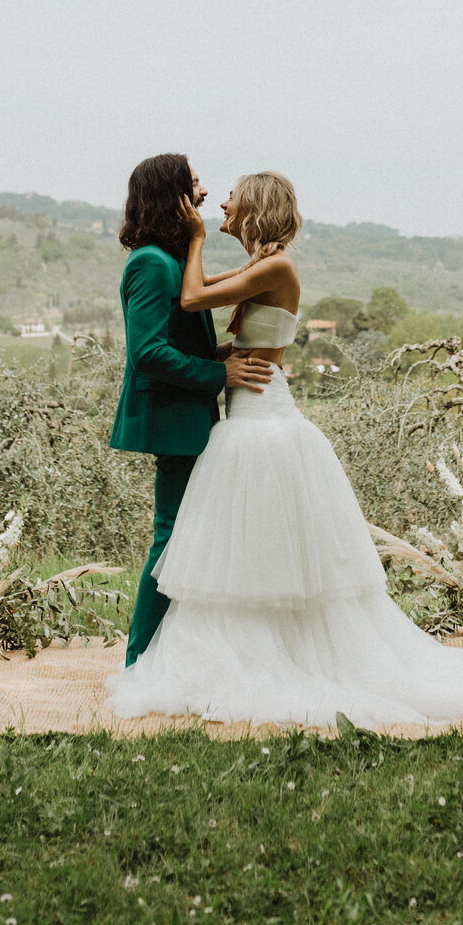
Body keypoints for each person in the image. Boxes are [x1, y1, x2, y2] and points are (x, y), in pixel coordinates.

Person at [106, 171, 463, 728]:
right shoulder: (258, 267)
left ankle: (273, 660)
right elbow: (195, 302)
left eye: (231, 197)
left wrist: (196, 238)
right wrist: (222, 352)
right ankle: (239, 652)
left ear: (253, 209)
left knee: (250, 544)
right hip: (246, 413)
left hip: (263, 420)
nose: (218, 200)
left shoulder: (276, 266)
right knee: (236, 546)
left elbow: (193, 295)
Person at [110, 153, 274, 666]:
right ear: (175, 197)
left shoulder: (173, 261)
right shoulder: (151, 264)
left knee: (186, 538)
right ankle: (139, 660)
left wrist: (221, 354)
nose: (205, 193)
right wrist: (217, 375)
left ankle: (171, 654)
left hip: (191, 417)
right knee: (170, 540)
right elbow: (148, 352)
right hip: (174, 421)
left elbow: (179, 336)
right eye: (196, 184)